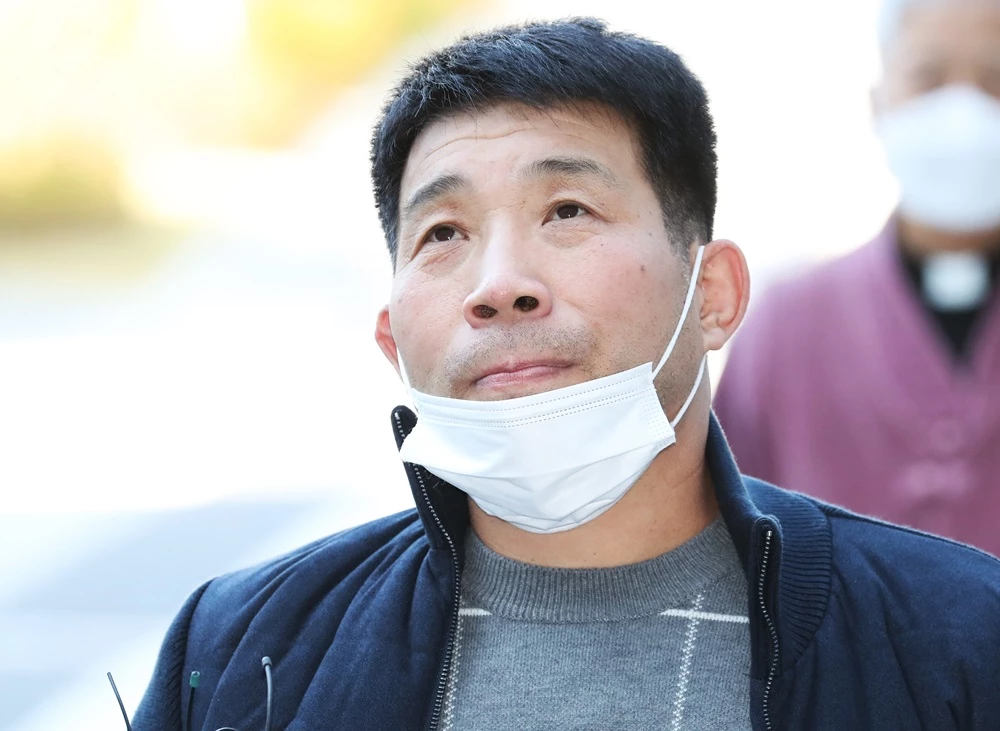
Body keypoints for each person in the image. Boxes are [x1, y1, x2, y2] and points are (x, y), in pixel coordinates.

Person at [132, 18, 1000, 731]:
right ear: (392, 339)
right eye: (443, 233)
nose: (499, 284)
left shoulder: (960, 643)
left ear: (712, 295)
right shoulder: (242, 654)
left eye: (567, 210)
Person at [714, 0, 1000, 556]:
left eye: (996, 79)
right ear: (879, 103)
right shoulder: (786, 328)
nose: (962, 113)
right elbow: (726, 536)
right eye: (928, 77)